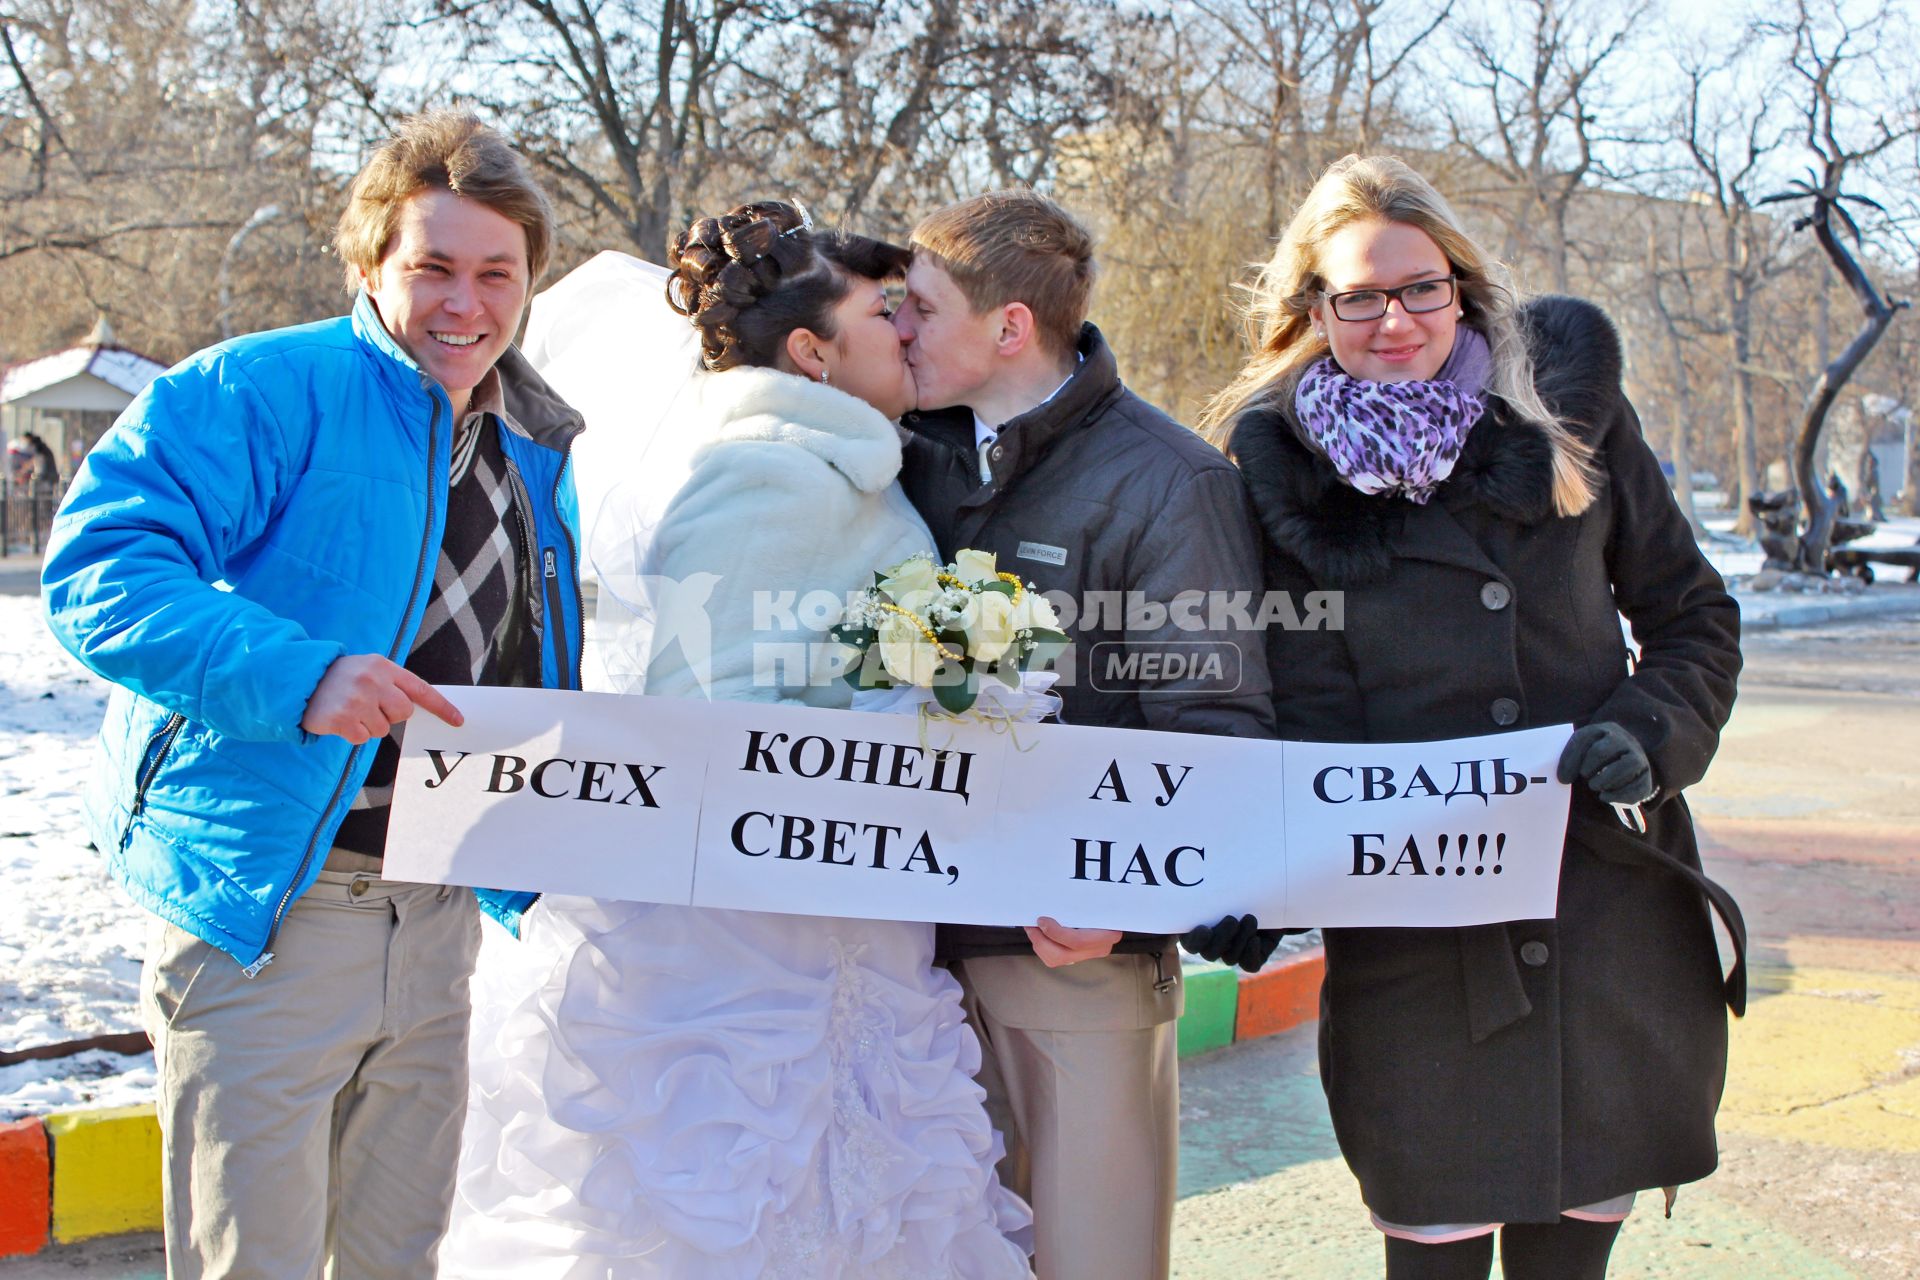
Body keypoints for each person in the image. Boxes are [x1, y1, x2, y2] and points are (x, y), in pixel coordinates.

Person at [438, 201, 1033, 1279]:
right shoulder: (760, 471)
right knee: (745, 1200)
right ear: (811, 351)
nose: (907, 332)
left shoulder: (845, 464)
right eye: (884, 314)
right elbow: (707, 719)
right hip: (754, 951)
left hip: (848, 917)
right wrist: (911, 720)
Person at [40, 111, 583, 1279]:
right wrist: (300, 674)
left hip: (439, 914)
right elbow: (99, 569)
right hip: (271, 921)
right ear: (368, 265)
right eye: (431, 266)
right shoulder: (257, 387)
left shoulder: (532, 440)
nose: (465, 302)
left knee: (397, 1260)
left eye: (498, 273)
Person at [1208, 154, 1744, 1279]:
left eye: (1419, 287)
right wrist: (1249, 875)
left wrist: (1649, 733)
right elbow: (1271, 709)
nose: (1392, 319)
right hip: (1417, 941)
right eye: (1357, 295)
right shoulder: (1269, 474)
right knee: (1433, 1237)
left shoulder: (1570, 418)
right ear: (1314, 306)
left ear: (1463, 286)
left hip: (1603, 905)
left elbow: (1693, 616)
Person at [892, 189, 1277, 1280]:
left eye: (919, 306)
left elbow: (1218, 723)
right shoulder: (899, 448)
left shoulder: (1170, 480)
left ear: (1009, 326)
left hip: (1071, 952)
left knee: (1086, 1256)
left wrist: (1138, 896)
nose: (900, 327)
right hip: (900, 956)